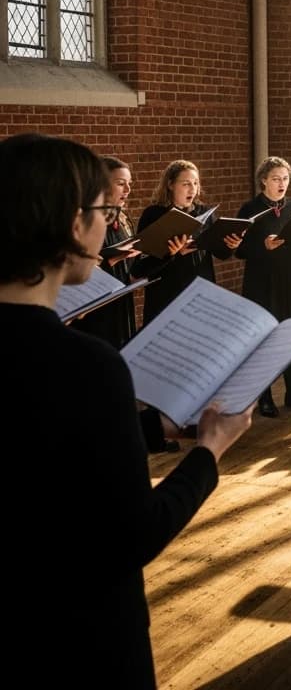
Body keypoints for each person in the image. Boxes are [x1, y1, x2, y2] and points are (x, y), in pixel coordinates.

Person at [4, 133, 252, 689]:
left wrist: (152, 423)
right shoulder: (87, 367)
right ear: (72, 225)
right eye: (104, 210)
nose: (110, 222)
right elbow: (136, 533)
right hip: (80, 641)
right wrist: (210, 449)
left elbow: (46, 450)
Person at [236, 156, 291, 417]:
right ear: (264, 180)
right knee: (266, 342)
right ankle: (265, 397)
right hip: (262, 283)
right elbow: (238, 250)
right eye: (276, 179)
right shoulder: (249, 209)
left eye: (285, 178)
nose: (282, 183)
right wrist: (263, 245)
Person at [131, 159, 242, 326]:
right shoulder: (153, 214)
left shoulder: (204, 213)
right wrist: (171, 254)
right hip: (166, 297)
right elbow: (139, 268)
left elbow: (220, 253)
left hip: (201, 294)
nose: (193, 189)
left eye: (196, 183)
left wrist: (231, 245)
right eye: (186, 184)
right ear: (170, 184)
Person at [73, 154, 141, 349]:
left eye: (129, 183)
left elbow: (134, 271)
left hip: (121, 307)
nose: (128, 189)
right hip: (95, 315)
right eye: (121, 183)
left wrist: (168, 252)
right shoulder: (84, 221)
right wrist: (107, 263)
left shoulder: (125, 220)